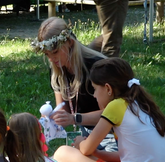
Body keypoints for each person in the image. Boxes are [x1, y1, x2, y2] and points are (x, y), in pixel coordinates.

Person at [53, 57, 165, 162]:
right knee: (98, 159)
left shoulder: (115, 106)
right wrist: (98, 155)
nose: (94, 95)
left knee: (62, 154)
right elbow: (126, 155)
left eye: (95, 89)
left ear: (108, 89)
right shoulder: (140, 104)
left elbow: (86, 149)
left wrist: (81, 142)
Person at [31, 17, 114, 149]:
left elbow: (113, 113)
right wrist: (52, 118)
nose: (51, 59)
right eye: (47, 55)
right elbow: (63, 108)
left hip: (111, 135)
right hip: (85, 135)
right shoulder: (57, 70)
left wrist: (75, 118)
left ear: (69, 42)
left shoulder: (96, 67)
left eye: (55, 52)